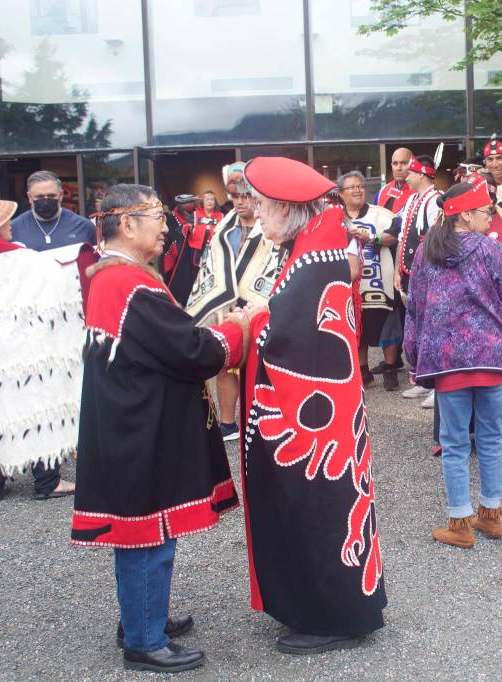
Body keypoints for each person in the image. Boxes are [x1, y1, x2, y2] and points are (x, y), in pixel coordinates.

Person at [71, 183, 249, 673]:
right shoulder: (129, 284)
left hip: (133, 420)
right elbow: (191, 352)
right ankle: (143, 639)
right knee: (147, 533)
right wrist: (238, 328)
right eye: (158, 217)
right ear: (127, 224)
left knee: (148, 530)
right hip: (141, 428)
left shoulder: (116, 276)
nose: (167, 227)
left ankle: (141, 618)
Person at [239, 156, 387, 654]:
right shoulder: (316, 245)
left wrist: (253, 321)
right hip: (327, 416)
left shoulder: (314, 256)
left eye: (260, 204)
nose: (255, 213)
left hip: (317, 423)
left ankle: (337, 618)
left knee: (322, 513)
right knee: (323, 511)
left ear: (284, 205)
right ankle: (327, 608)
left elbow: (291, 337)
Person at [404, 181, 502, 548]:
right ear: (464, 214)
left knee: (455, 443)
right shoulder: (491, 249)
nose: (491, 217)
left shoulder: (427, 251)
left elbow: (415, 310)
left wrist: (414, 358)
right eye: (486, 211)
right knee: (492, 438)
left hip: (446, 362)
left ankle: (458, 523)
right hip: (493, 357)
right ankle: (490, 516)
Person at [0, 192, 90, 502]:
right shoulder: (18, 259)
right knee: (32, 405)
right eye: (5, 221)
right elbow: (52, 281)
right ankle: (46, 481)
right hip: (16, 351)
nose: (10, 226)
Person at [186, 162, 284, 441]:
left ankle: (263, 419)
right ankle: (228, 424)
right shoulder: (223, 226)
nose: (240, 202)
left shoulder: (272, 226)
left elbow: (278, 266)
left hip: (260, 304)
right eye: (234, 196)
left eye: (245, 196)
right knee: (225, 364)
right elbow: (211, 264)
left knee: (261, 365)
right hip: (226, 306)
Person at [339, 171, 403, 390]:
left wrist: (372, 238)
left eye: (360, 186)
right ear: (341, 194)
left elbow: (397, 235)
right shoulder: (336, 217)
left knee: (388, 328)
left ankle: (391, 368)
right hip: (352, 285)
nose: (357, 190)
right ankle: (363, 371)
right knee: (357, 327)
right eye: (351, 187)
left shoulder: (381, 214)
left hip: (381, 281)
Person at [391, 154, 442, 408]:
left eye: (409, 172)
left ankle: (435, 383)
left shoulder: (435, 200)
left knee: (430, 328)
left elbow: (433, 239)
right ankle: (423, 379)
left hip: (427, 275)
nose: (405, 176)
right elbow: (402, 236)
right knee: (417, 328)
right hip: (410, 273)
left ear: (421, 174)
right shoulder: (412, 199)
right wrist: (397, 270)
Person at [10, 169, 97, 251]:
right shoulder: (13, 229)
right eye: (40, 196)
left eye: (51, 196)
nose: (46, 200)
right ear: (29, 197)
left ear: (61, 195)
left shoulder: (84, 226)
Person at [375, 147, 415, 214]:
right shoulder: (382, 192)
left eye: (403, 163)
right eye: (395, 163)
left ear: (413, 165)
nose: (398, 168)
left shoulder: (420, 192)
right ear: (391, 165)